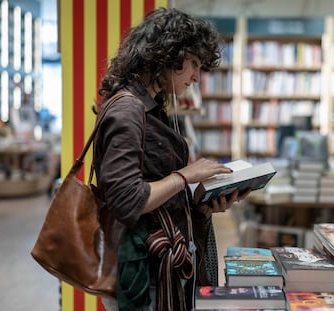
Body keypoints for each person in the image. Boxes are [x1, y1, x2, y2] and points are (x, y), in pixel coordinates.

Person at [93, 7, 249, 311]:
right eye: (193, 64)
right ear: (167, 55)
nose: (196, 76)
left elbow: (154, 188)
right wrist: (186, 175)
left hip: (159, 262)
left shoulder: (149, 106)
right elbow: (127, 201)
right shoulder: (128, 111)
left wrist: (205, 202)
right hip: (143, 270)